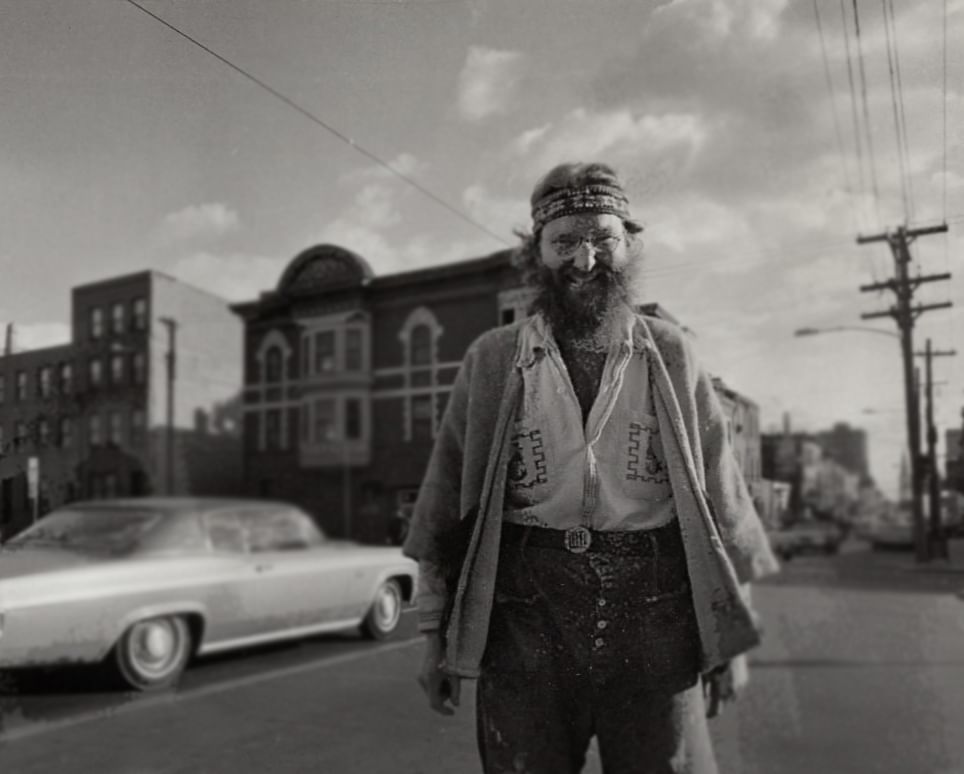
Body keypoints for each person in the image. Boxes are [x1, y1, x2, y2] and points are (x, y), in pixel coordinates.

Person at [403, 162, 779, 773]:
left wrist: (733, 637)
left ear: (628, 246)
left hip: (656, 618)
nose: (585, 260)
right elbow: (445, 506)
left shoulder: (671, 352)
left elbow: (724, 499)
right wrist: (431, 640)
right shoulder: (493, 359)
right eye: (565, 243)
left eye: (603, 239)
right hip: (524, 620)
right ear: (537, 256)